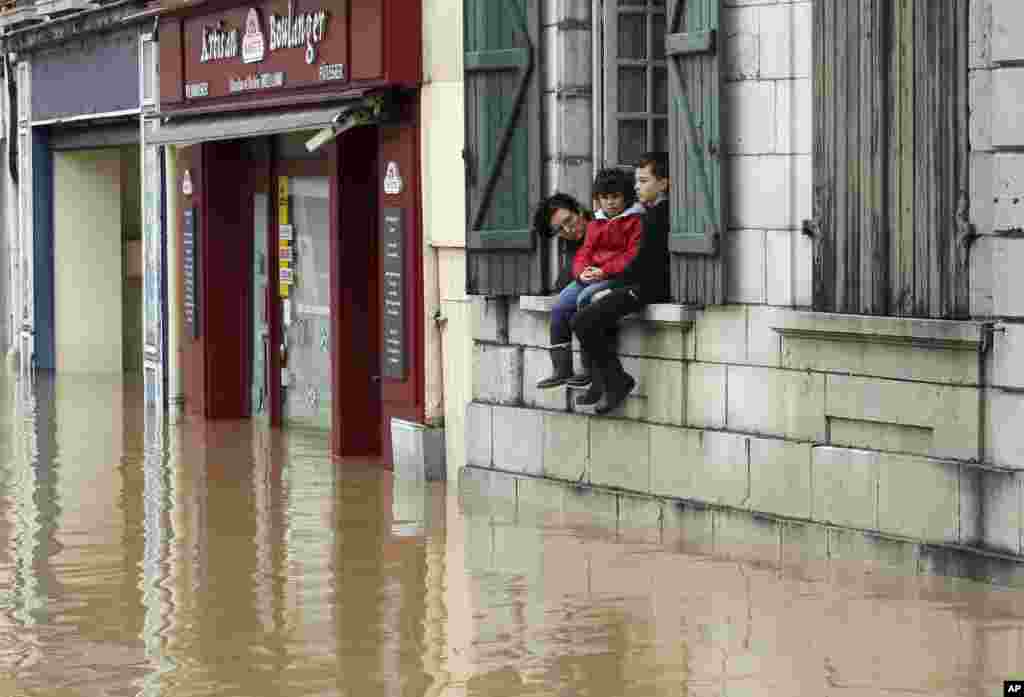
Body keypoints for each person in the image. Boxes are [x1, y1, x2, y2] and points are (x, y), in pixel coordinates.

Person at [571, 152, 670, 414]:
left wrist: (609, 284)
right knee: (586, 317)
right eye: (637, 181)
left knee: (585, 320)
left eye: (644, 181)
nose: (637, 187)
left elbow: (641, 261)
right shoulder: (646, 213)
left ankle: (614, 381)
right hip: (628, 283)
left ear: (663, 183)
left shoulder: (658, 215)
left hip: (646, 288)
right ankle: (608, 380)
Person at [534, 169, 646, 389]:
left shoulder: (621, 221)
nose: (569, 229)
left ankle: (591, 368)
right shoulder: (588, 233)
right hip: (592, 278)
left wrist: (603, 271)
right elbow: (570, 273)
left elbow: (630, 255)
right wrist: (582, 272)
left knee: (586, 301)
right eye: (560, 229)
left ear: (580, 210)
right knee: (562, 304)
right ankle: (562, 368)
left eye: (569, 220)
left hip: (617, 279)